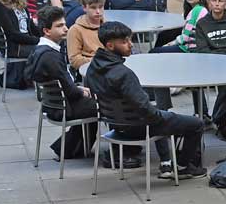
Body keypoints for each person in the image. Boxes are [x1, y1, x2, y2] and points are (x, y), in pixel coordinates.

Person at [85, 22, 205, 177]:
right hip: (138, 127)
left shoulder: (92, 68)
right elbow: (146, 109)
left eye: (129, 39)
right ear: (109, 45)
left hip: (115, 124)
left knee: (164, 115)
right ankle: (182, 167)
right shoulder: (123, 74)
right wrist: (162, 117)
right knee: (196, 123)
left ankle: (168, 162)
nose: (130, 44)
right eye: (124, 42)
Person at [25, 6, 97, 160]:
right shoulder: (51, 57)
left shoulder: (39, 50)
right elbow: (70, 91)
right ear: (46, 31)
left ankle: (69, 149)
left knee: (98, 100)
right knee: (107, 103)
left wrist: (77, 88)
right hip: (63, 108)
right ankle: (122, 152)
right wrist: (79, 91)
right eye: (59, 26)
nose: (65, 29)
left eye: (65, 24)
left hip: (53, 104)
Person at [67, 0, 105, 70]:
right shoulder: (75, 30)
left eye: (101, 7)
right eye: (93, 8)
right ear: (84, 8)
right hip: (90, 70)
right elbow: (74, 60)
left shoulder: (108, 26)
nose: (98, 11)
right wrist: (99, 61)